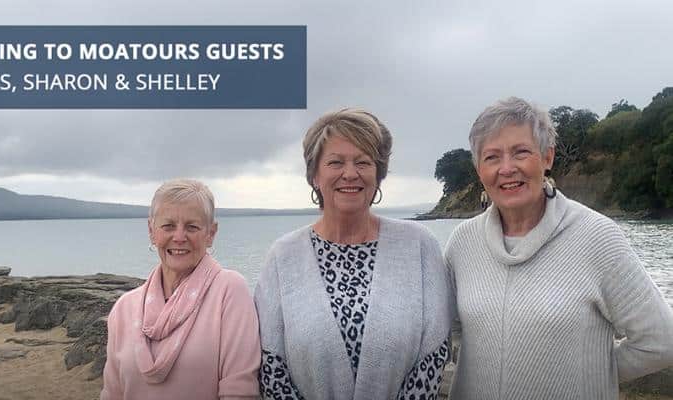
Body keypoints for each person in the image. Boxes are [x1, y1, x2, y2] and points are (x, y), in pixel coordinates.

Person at [446, 97, 673, 400]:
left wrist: (585, 375)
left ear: (548, 157)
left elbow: (660, 340)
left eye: (521, 152)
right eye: (492, 157)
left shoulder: (598, 238)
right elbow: (449, 331)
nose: (507, 168)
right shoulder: (462, 243)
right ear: (478, 170)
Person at [255, 108, 453, 400]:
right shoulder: (283, 257)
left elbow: (435, 350)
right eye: (335, 162)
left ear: (378, 174)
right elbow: (271, 363)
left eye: (363, 162)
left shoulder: (420, 245)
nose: (350, 173)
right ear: (314, 176)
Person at [100, 179, 260, 400]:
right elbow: (112, 393)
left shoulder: (229, 291)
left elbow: (240, 391)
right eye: (168, 226)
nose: (179, 237)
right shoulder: (124, 309)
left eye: (192, 227)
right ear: (151, 230)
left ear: (211, 233)